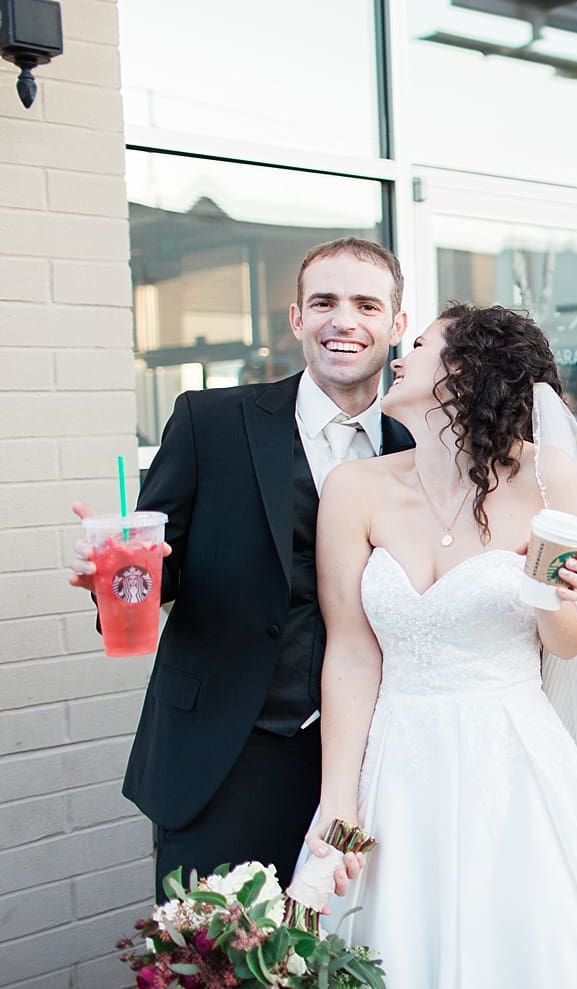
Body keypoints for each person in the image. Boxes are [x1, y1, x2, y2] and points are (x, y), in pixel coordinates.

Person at [308, 304, 577, 985]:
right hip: (394, 765)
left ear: (464, 371)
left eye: (423, 343)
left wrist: (553, 590)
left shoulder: (549, 477)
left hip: (511, 766)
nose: (402, 353)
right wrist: (337, 800)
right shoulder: (354, 489)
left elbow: (568, 642)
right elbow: (350, 651)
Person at [66, 238, 411, 894]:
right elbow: (151, 565)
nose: (343, 320)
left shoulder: (418, 446)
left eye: (366, 304)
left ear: (395, 324)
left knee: (330, 941)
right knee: (214, 953)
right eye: (324, 302)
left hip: (362, 764)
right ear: (296, 318)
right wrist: (114, 576)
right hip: (222, 756)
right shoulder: (210, 421)